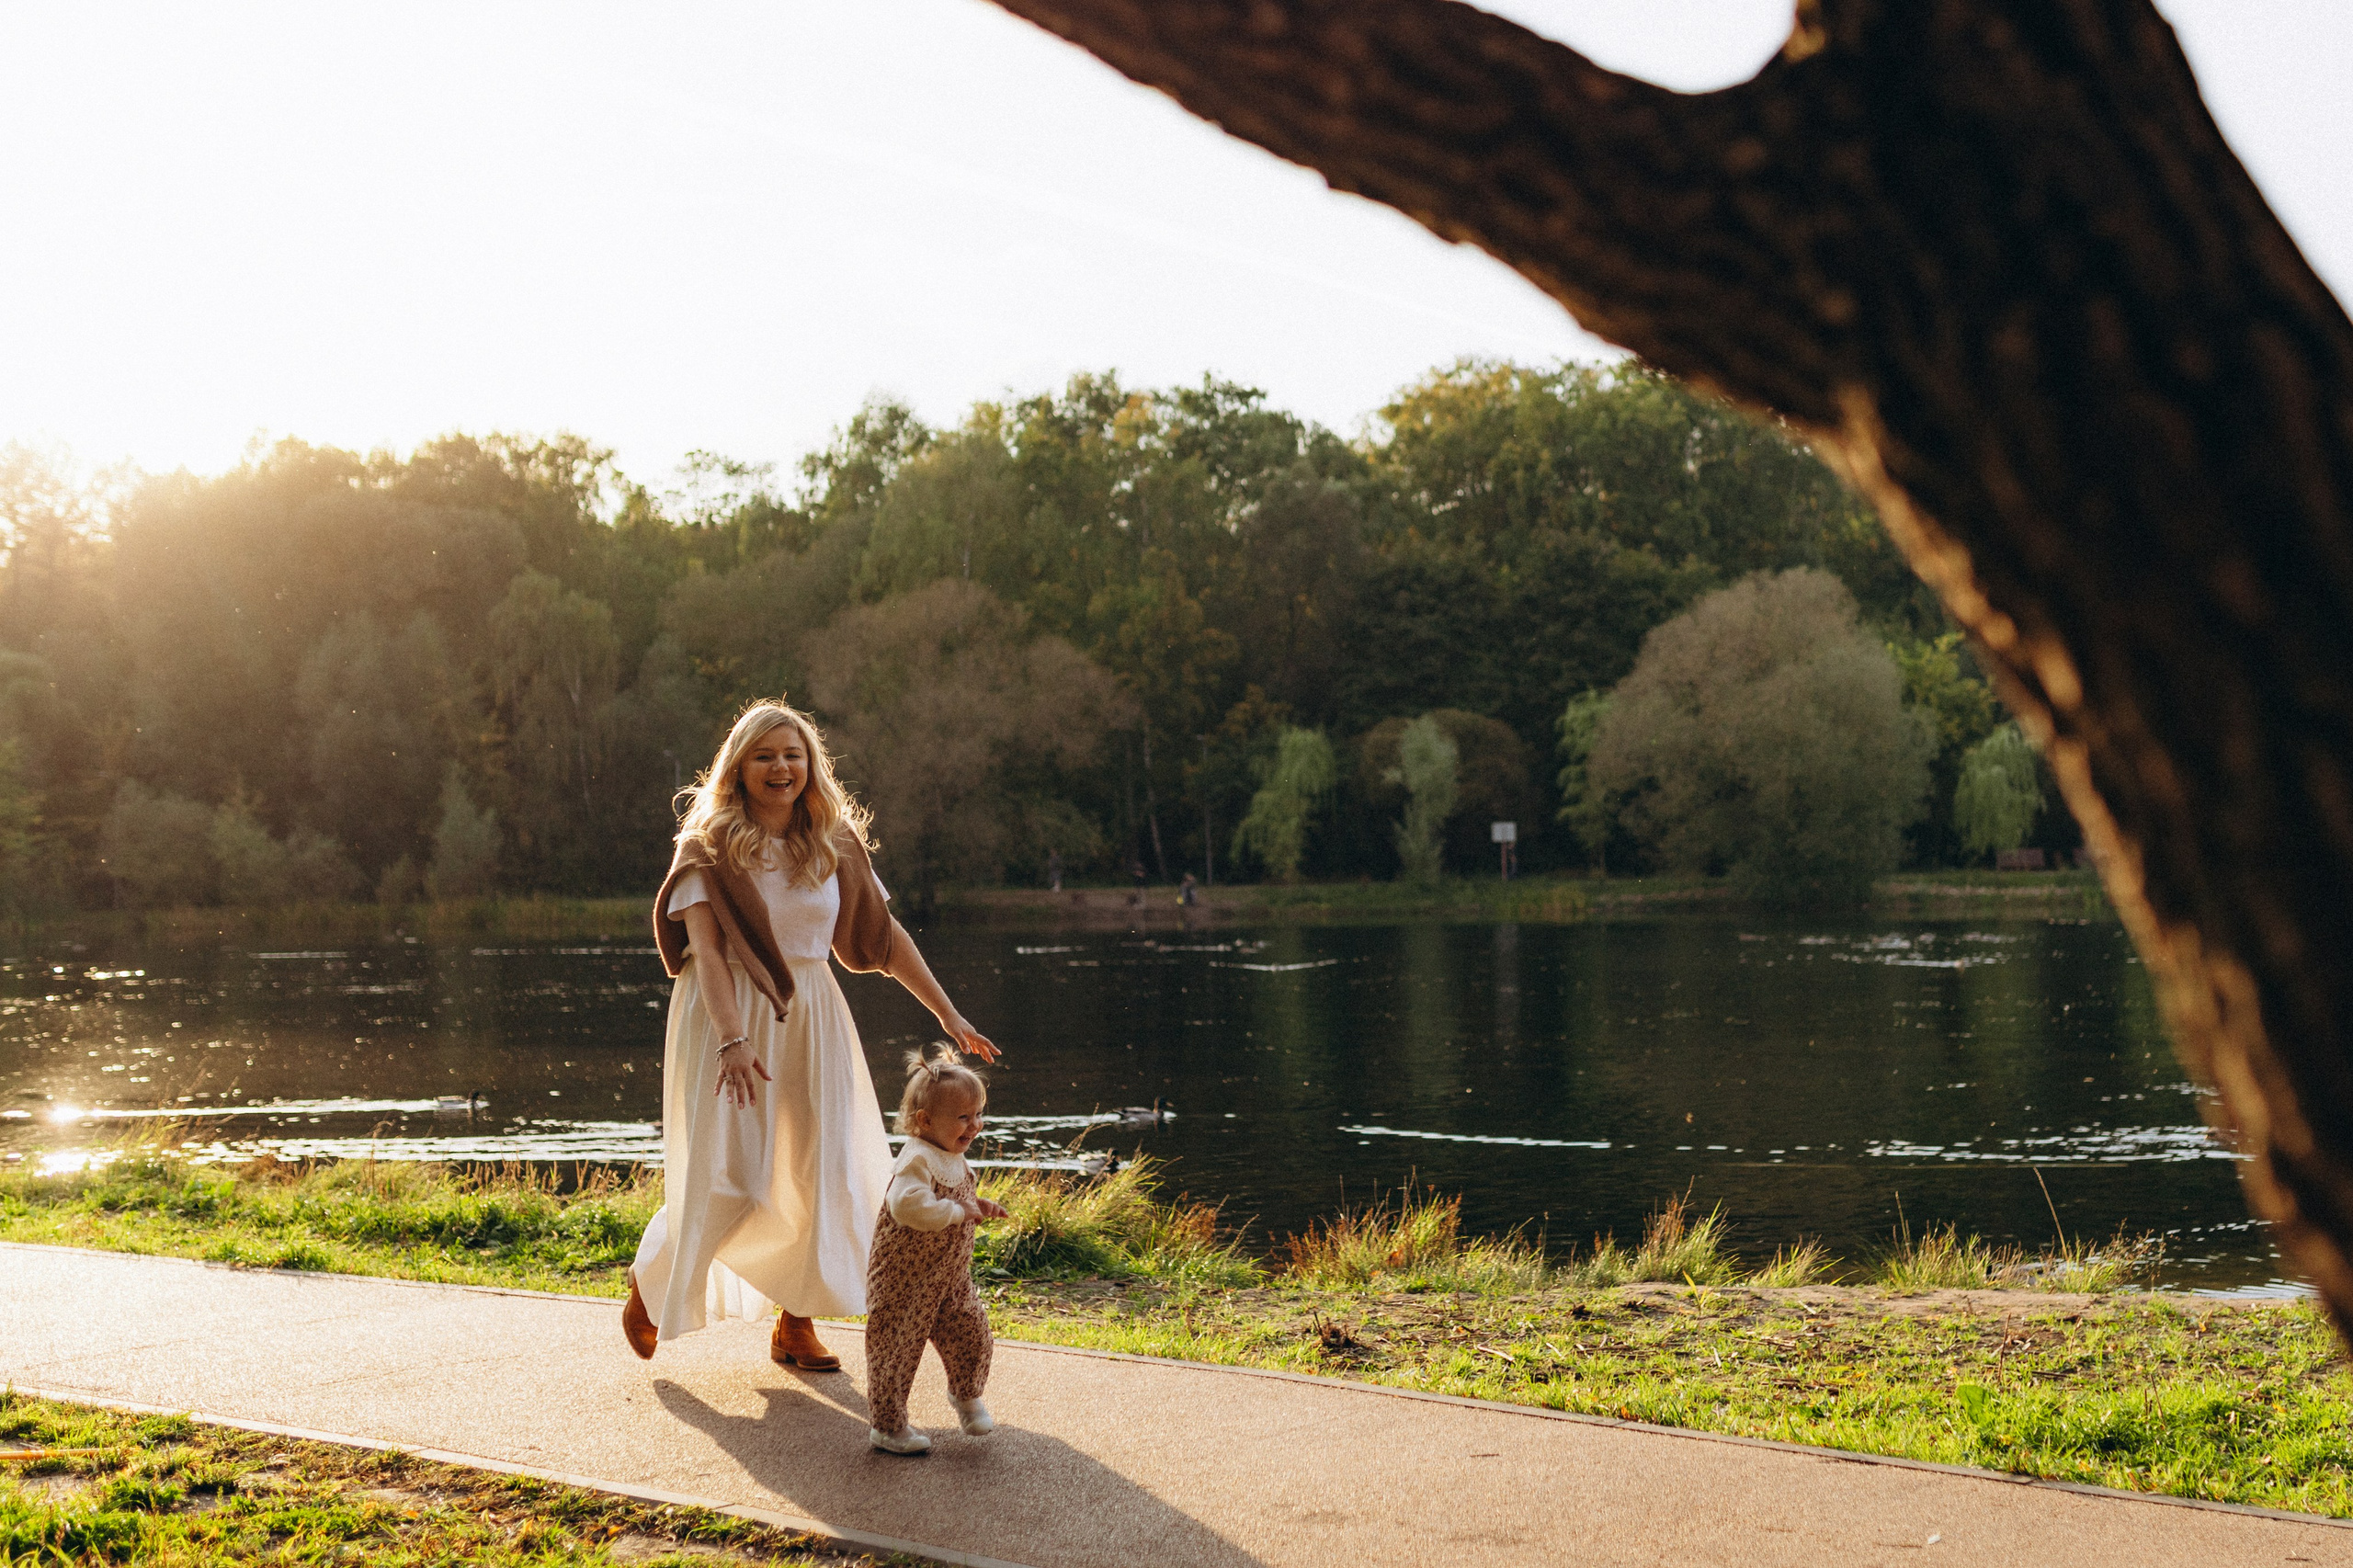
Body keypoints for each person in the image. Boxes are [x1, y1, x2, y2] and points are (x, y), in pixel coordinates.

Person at [622, 699, 998, 1369]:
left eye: (792, 755)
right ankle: (652, 1286)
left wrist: (948, 1013)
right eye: (765, 755)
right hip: (727, 1012)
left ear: (810, 764)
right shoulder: (706, 844)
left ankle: (796, 1324)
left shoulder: (834, 839)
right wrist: (733, 1040)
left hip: (812, 1013)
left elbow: (884, 940)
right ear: (738, 767)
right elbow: (705, 954)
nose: (781, 767)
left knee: (821, 1173)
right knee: (731, 1176)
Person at [863, 1047, 1008, 1454]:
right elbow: (907, 1206)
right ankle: (887, 1427)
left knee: (973, 1334)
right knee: (894, 1350)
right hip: (904, 1279)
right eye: (963, 1117)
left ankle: (965, 1395)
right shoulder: (916, 1159)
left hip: (949, 1278)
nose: (975, 1125)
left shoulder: (952, 1153)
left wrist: (977, 1207)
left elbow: (960, 1200)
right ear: (924, 1121)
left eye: (979, 1114)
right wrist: (955, 1211)